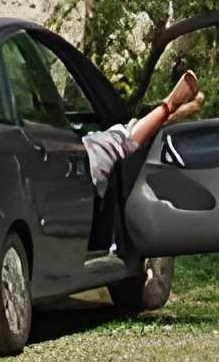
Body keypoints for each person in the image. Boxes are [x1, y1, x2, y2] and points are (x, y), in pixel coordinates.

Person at [85, 67, 204, 258]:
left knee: (119, 137)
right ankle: (169, 108)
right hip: (79, 157)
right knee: (121, 139)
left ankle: (169, 111)